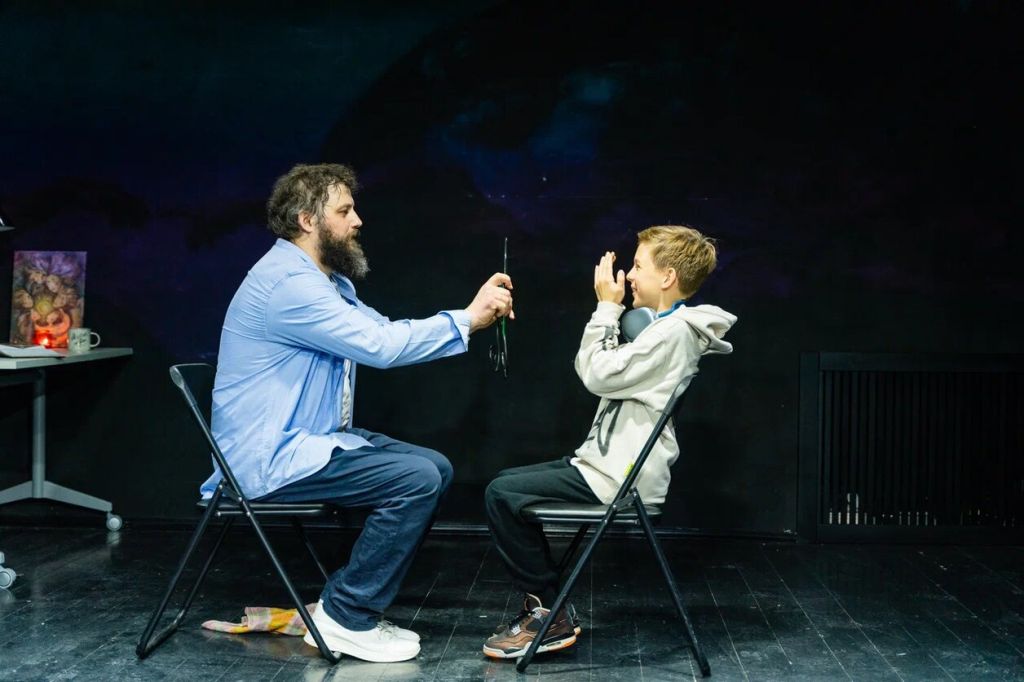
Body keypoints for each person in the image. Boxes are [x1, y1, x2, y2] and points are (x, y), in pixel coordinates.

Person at [201, 163, 513, 663]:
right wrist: (468, 320)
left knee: (433, 467)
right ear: (307, 220)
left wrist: (469, 314)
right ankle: (347, 616)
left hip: (308, 440)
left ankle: (339, 608)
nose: (357, 220)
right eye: (344, 211)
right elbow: (380, 346)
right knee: (415, 479)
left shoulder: (324, 283)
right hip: (269, 458)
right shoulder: (289, 285)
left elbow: (384, 330)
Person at [482, 225, 736, 660]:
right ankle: (551, 606)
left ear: (668, 277)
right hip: (604, 466)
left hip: (619, 478)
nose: (629, 275)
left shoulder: (672, 334)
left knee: (501, 494)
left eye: (637, 266)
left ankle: (547, 614)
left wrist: (605, 308)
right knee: (507, 484)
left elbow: (597, 374)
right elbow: (609, 372)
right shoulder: (663, 329)